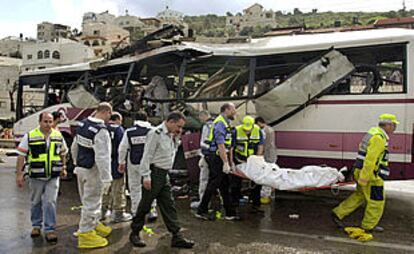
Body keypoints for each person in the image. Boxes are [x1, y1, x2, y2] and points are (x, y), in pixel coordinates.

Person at [129, 111, 194, 249]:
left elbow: (171, 153)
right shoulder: (155, 133)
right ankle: (135, 232)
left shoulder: (171, 135)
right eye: (178, 126)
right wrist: (146, 176)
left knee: (169, 205)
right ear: (170, 122)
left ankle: (177, 236)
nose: (180, 130)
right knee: (145, 205)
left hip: (164, 175)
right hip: (154, 173)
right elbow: (147, 155)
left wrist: (176, 139)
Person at [332, 113, 399, 242]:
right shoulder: (379, 138)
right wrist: (365, 177)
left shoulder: (372, 133)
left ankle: (337, 213)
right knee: (376, 201)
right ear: (388, 125)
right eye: (394, 125)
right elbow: (370, 160)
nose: (395, 128)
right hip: (371, 175)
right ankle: (368, 227)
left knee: (360, 196)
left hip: (362, 171)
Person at [15, 112, 67, 243]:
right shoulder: (30, 136)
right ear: (39, 122)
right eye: (45, 121)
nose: (48, 124)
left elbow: (63, 152)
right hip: (36, 176)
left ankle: (49, 229)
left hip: (53, 176)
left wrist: (64, 167)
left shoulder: (58, 135)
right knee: (36, 202)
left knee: (50, 202)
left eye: (50, 121)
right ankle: (36, 226)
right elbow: (21, 155)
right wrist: (19, 174)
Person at [71, 102, 113, 249]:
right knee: (92, 202)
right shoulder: (101, 131)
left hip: (81, 168)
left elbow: (74, 147)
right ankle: (86, 234)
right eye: (110, 115)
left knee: (87, 200)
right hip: (93, 171)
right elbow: (103, 157)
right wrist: (106, 178)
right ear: (107, 112)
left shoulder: (82, 125)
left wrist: (76, 162)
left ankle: (94, 224)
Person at [196, 103, 238, 220]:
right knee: (214, 183)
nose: (235, 112)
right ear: (227, 110)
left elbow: (228, 145)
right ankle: (201, 210)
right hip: (216, 157)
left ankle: (230, 213)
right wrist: (225, 162)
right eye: (234, 110)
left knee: (224, 185)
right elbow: (220, 144)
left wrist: (230, 162)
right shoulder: (220, 123)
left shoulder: (226, 123)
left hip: (219, 157)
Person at [118, 111, 158, 221]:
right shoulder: (153, 131)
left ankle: (136, 211)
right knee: (150, 186)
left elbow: (122, 148)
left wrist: (121, 162)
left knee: (135, 187)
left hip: (134, 163)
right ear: (147, 119)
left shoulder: (129, 132)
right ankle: (152, 210)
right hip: (150, 164)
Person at [102, 112, 132, 223]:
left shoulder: (103, 128)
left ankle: (103, 211)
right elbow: (123, 148)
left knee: (105, 189)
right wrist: (122, 162)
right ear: (118, 119)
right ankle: (118, 212)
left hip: (104, 163)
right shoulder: (119, 130)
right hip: (116, 163)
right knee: (118, 188)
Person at [232, 116, 265, 213]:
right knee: (235, 183)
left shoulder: (257, 131)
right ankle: (234, 204)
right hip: (239, 160)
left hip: (253, 160)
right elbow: (231, 148)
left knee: (256, 182)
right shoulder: (236, 131)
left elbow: (260, 146)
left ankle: (256, 204)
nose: (247, 132)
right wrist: (231, 162)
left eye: (248, 130)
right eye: (245, 130)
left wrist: (257, 160)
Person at [196, 110, 213, 205]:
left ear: (203, 116)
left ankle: (203, 202)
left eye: (200, 118)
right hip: (215, 156)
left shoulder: (206, 126)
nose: (200, 120)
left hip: (206, 155)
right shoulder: (217, 124)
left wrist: (204, 153)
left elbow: (203, 142)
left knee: (204, 179)